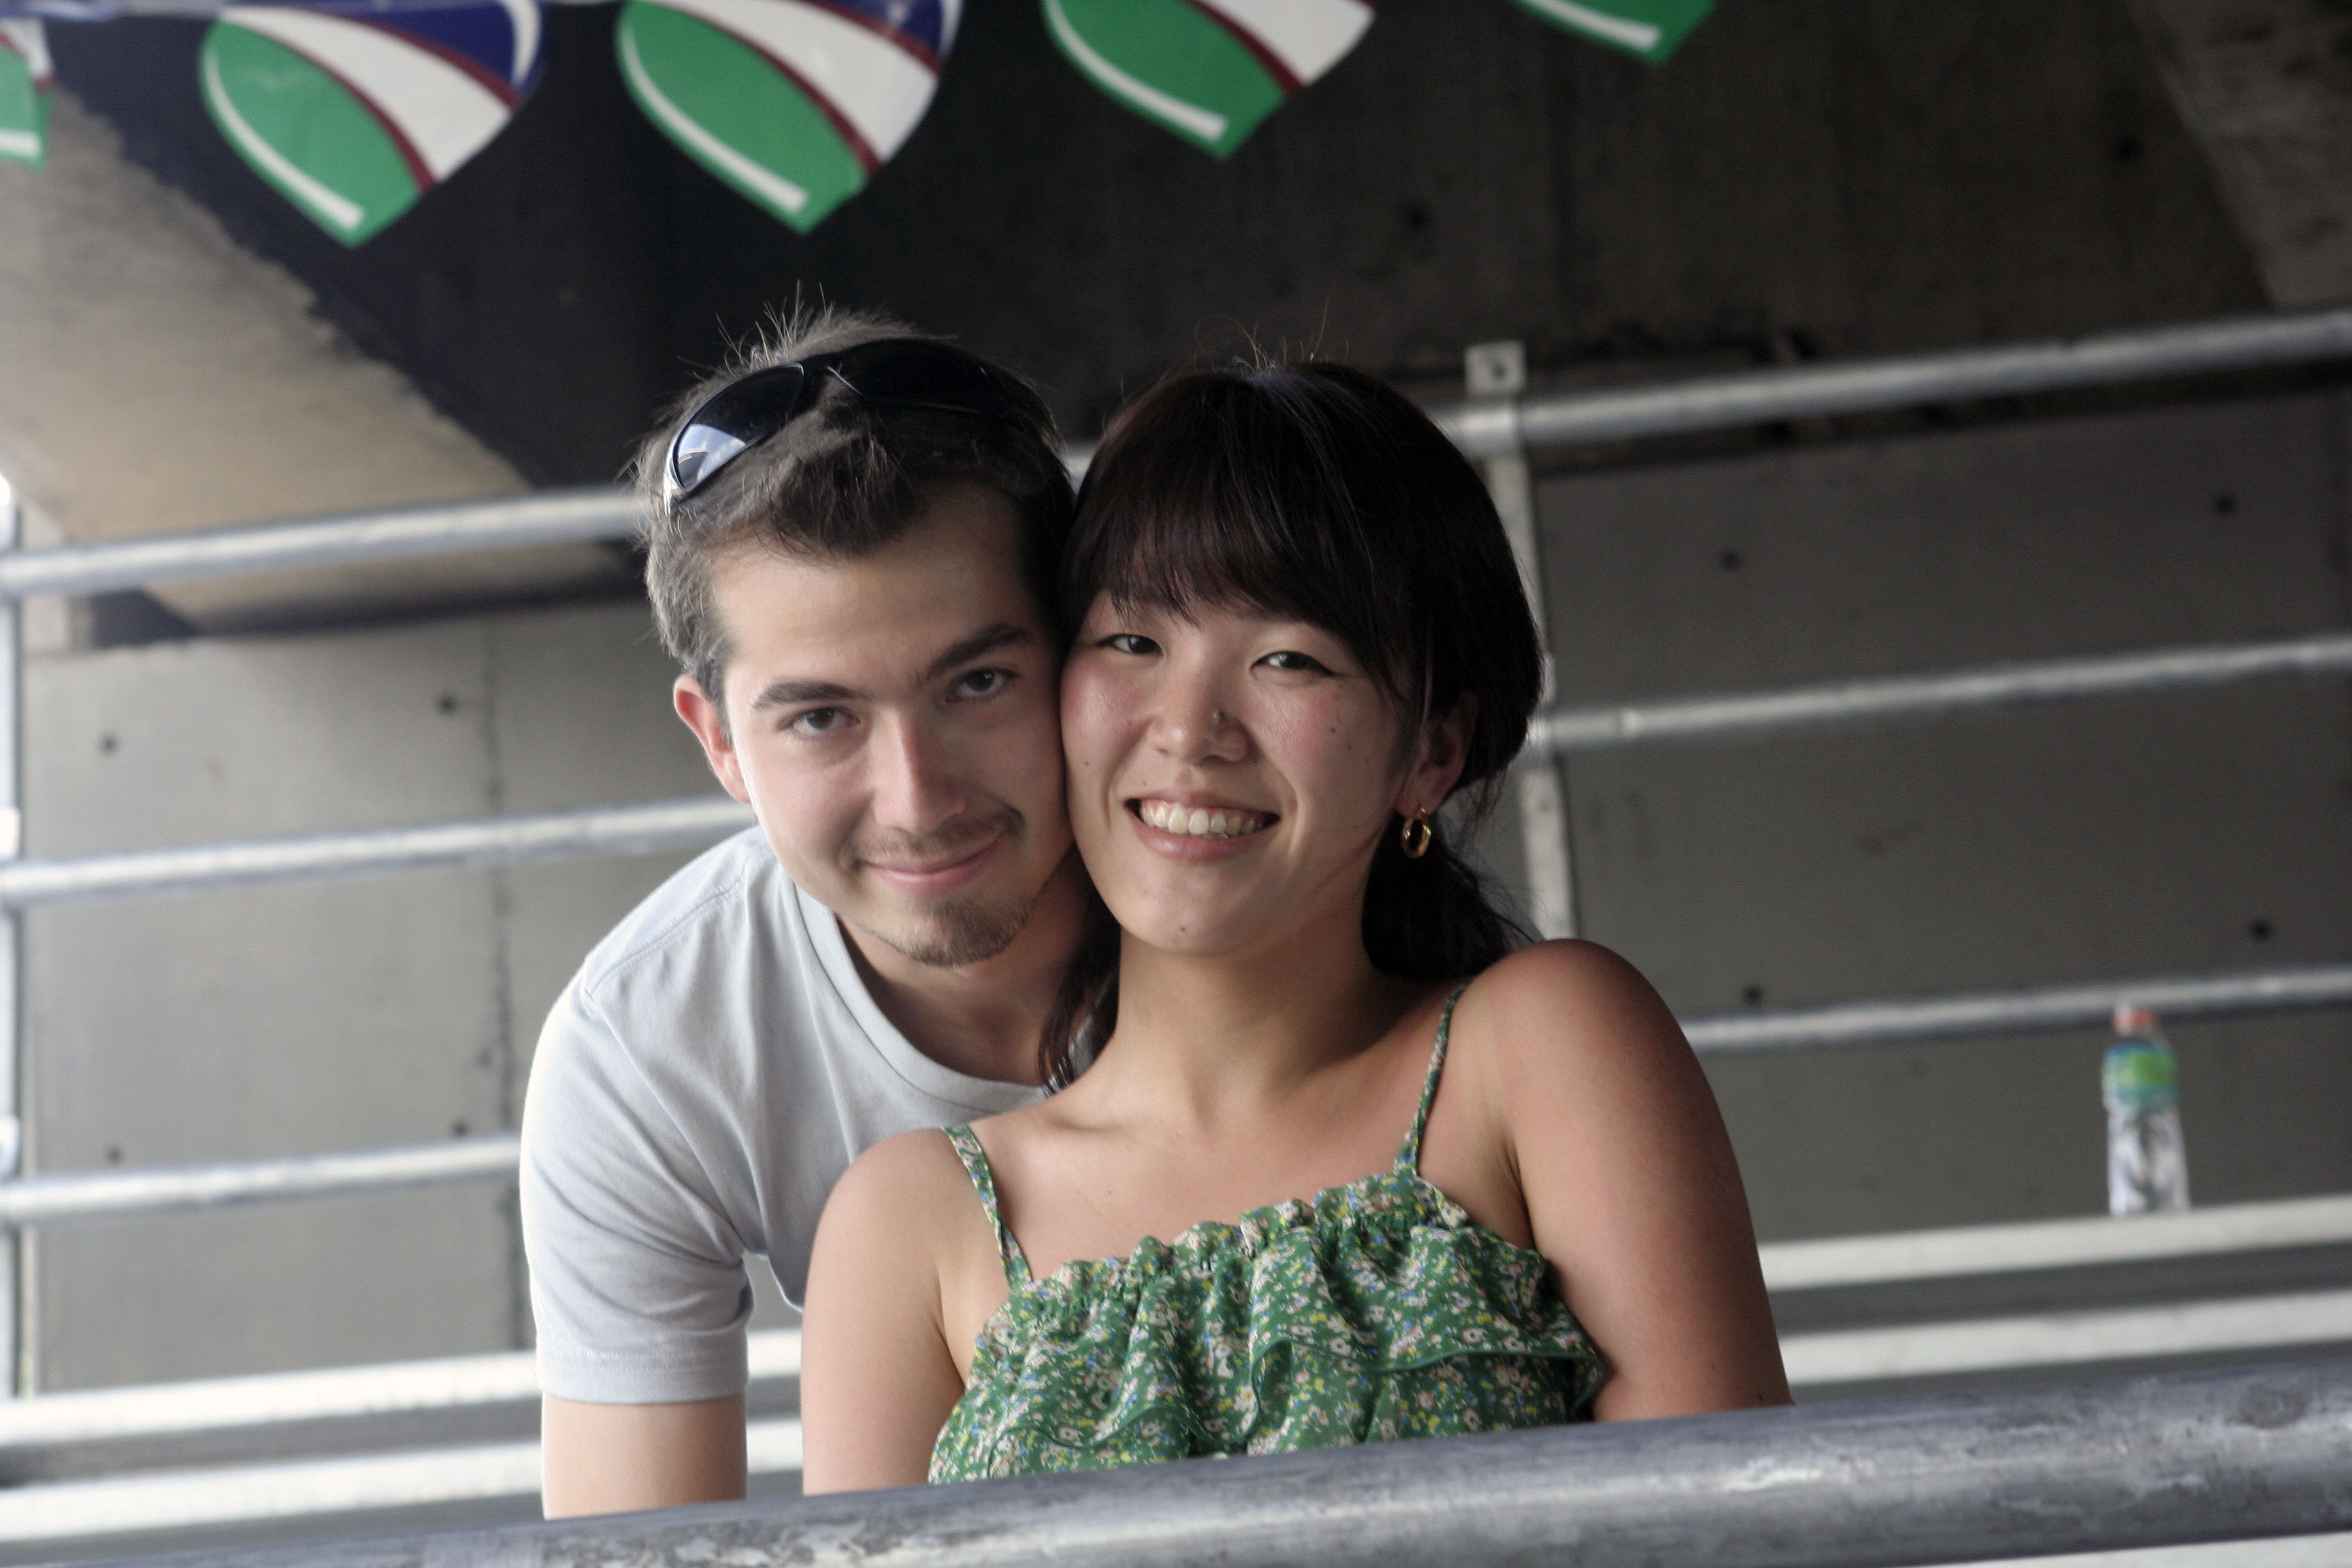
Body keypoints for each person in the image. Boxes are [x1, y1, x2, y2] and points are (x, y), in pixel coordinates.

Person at [798, 360, 1790, 1490]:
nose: (1190, 730)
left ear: (1431, 754)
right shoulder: (911, 1221)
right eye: (1132, 642)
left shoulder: (1537, 1049)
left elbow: (1731, 1530)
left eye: (1289, 659)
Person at [519, 308, 1091, 1515]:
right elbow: (641, 1551)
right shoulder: (644, 1048)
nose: (918, 799)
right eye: (822, 718)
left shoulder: (1250, 894)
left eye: (978, 682)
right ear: (720, 742)